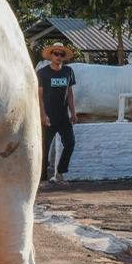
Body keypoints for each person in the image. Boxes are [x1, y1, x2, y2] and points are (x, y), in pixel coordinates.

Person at [37, 42, 77, 183]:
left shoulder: (68, 72)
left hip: (63, 116)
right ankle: (41, 179)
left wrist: (73, 112)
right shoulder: (42, 73)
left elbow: (70, 94)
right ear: (51, 55)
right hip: (48, 117)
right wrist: (42, 114)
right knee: (44, 148)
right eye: (56, 54)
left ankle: (60, 172)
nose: (59, 56)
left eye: (62, 54)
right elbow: (39, 96)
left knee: (70, 143)